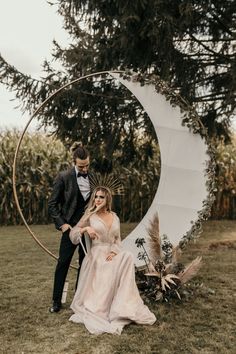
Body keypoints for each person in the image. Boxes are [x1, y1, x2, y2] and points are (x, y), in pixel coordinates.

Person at [68, 186, 156, 335]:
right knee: (121, 260)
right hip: (97, 256)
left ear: (107, 199)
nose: (97, 200)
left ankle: (123, 307)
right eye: (96, 197)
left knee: (127, 256)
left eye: (101, 197)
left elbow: (117, 240)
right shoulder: (89, 215)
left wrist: (115, 252)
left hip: (112, 254)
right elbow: (73, 234)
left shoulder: (115, 217)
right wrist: (85, 229)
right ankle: (105, 307)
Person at [48, 142, 91, 313]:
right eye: (81, 166)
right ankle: (56, 301)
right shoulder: (63, 177)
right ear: (74, 162)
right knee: (63, 263)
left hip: (88, 229)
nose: (85, 169)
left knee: (85, 263)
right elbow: (52, 204)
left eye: (87, 165)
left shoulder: (94, 177)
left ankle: (79, 299)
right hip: (70, 228)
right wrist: (62, 224)